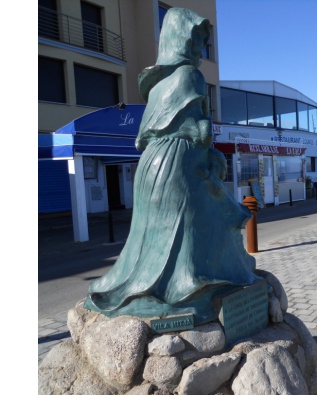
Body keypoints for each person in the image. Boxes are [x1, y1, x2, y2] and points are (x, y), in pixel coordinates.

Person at [84, 8, 262, 324]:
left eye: (203, 42)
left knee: (153, 235)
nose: (199, 49)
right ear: (181, 40)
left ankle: (150, 288)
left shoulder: (157, 85)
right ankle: (189, 291)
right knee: (205, 224)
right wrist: (212, 152)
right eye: (196, 40)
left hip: (152, 164)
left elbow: (142, 138)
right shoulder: (190, 76)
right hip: (180, 163)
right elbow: (203, 133)